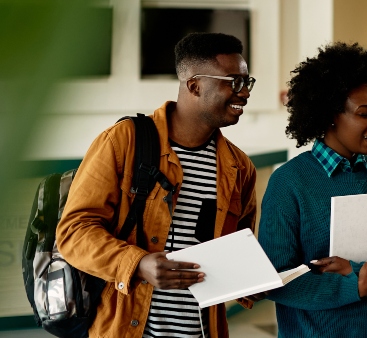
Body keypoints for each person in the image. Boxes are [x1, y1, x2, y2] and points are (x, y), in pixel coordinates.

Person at [55, 32, 260, 338]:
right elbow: (74, 232)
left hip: (203, 330)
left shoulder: (239, 167)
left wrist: (258, 281)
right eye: (233, 82)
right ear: (194, 85)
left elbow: (237, 250)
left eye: (247, 82)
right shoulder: (123, 141)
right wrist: (137, 264)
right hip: (127, 328)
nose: (244, 93)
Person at [257, 42, 367, 338]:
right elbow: (275, 279)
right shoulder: (289, 182)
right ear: (332, 115)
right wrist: (359, 284)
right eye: (364, 114)